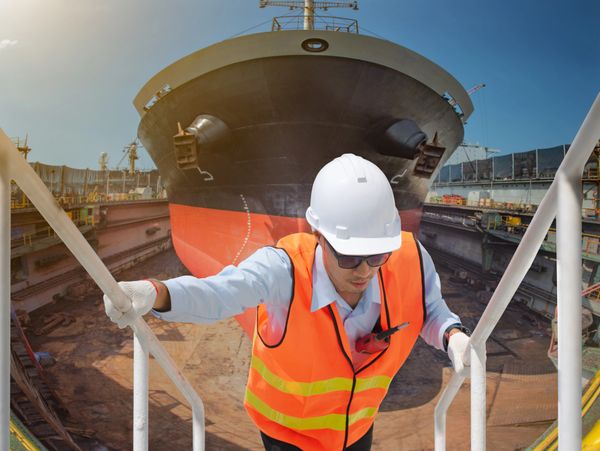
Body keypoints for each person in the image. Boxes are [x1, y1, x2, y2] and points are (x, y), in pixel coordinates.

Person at [104, 153, 470, 451]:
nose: (364, 270)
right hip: (286, 436)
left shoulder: (409, 257)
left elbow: (430, 311)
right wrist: (156, 293)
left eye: (376, 255)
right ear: (317, 235)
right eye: (348, 256)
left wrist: (454, 337)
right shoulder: (283, 271)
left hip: (357, 429)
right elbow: (219, 293)